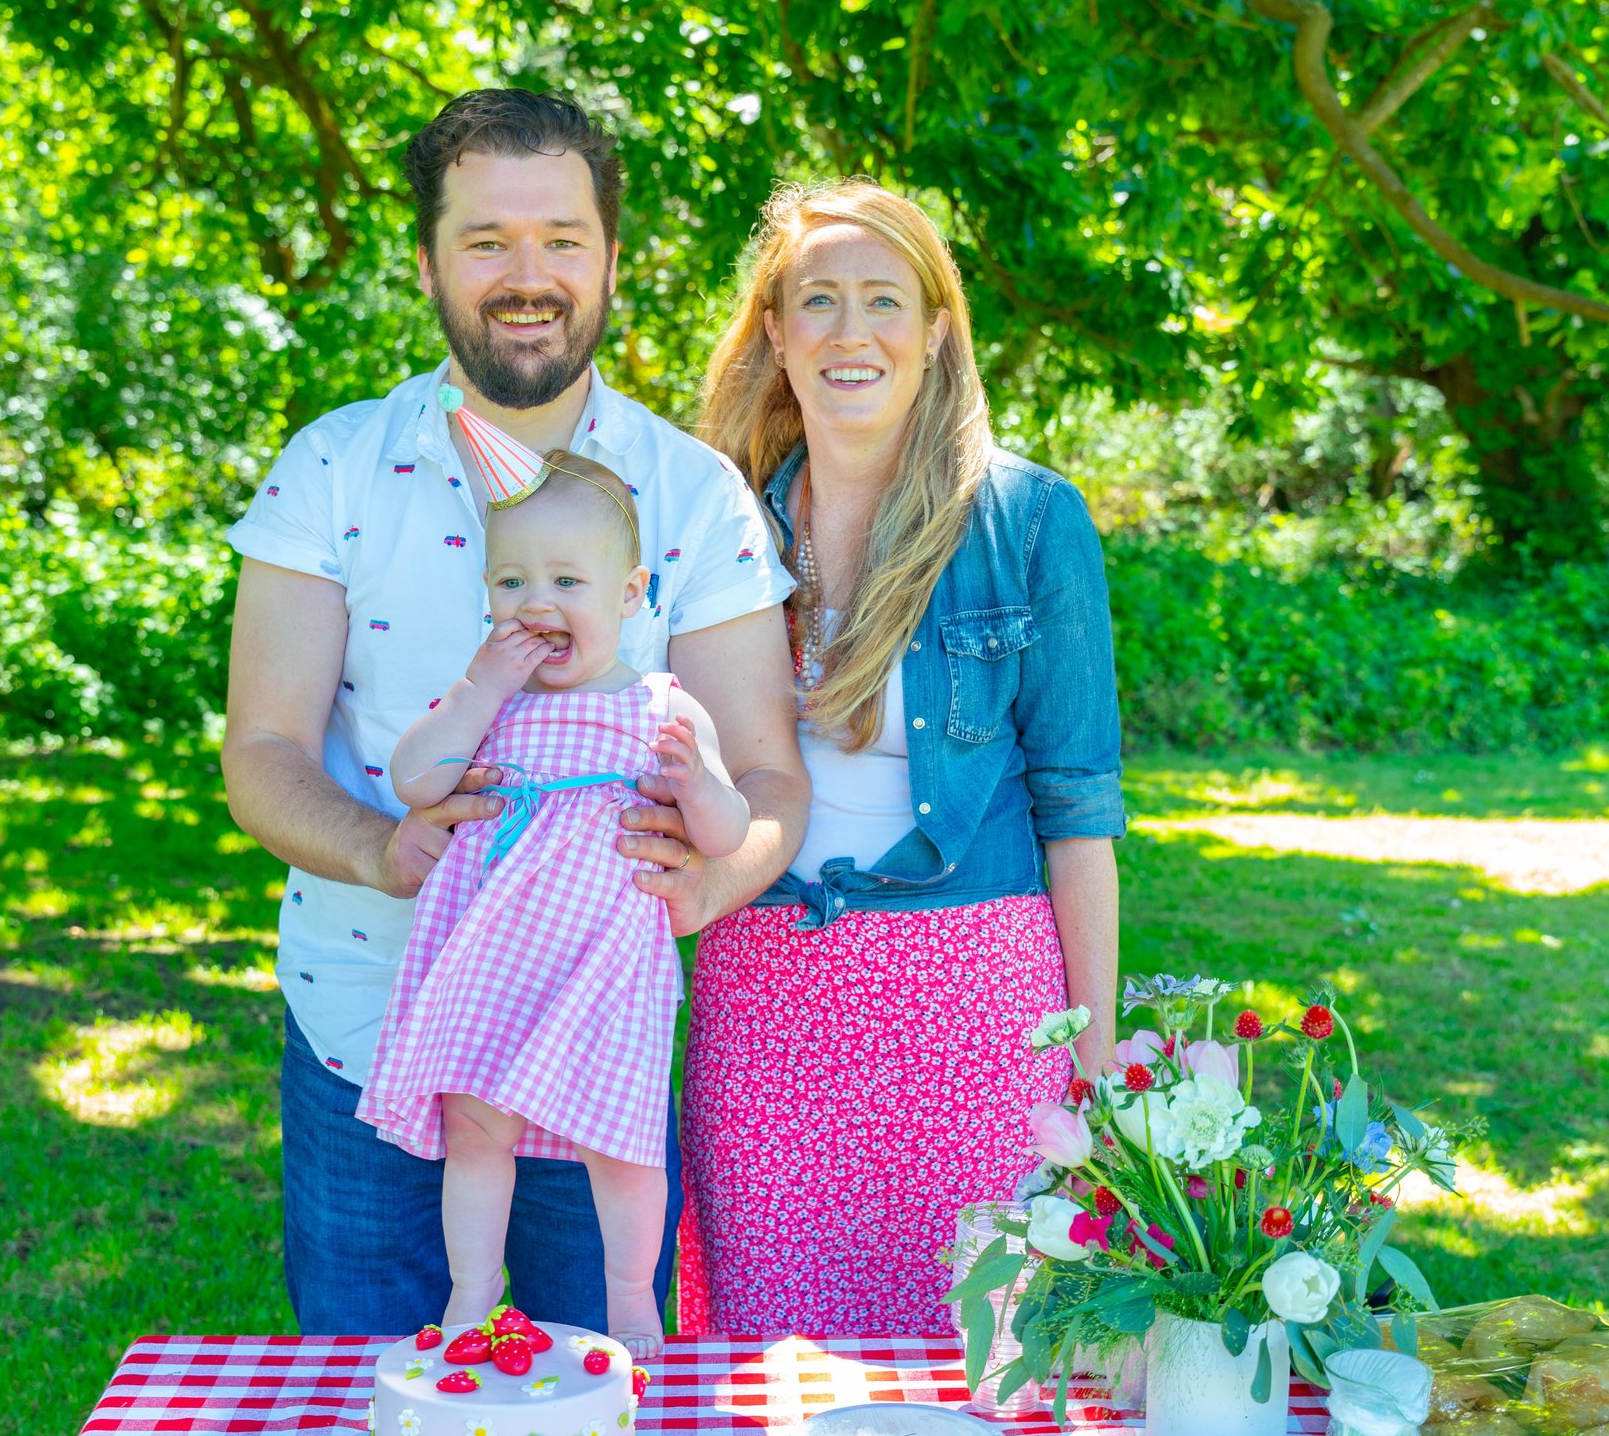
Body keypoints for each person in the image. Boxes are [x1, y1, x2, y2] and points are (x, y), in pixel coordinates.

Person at [221, 90, 805, 1338]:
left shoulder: (692, 495)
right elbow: (263, 752)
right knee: (371, 1420)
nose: (526, 276)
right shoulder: (329, 467)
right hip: (361, 1025)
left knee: (603, 1419)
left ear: (608, 258)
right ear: (429, 259)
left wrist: (710, 886)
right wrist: (380, 848)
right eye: (487, 241)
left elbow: (766, 773)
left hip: (589, 1025)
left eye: (561, 239)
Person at [676, 179, 1125, 1336]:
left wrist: (1097, 1067)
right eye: (816, 301)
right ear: (773, 331)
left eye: (883, 299)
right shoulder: (712, 528)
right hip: (763, 1001)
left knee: (992, 1362)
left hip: (976, 1009)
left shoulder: (1026, 519)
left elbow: (1079, 811)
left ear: (935, 328)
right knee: (768, 1382)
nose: (849, 331)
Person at [358, 451, 750, 1358]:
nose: (538, 600)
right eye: (512, 579)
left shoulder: (665, 706)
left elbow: (726, 835)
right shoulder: (488, 705)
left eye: (568, 579)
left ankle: (629, 1301)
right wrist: (478, 687)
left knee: (623, 1143)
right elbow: (416, 779)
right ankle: (468, 1295)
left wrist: (698, 786)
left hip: (605, 964)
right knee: (475, 1129)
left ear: (629, 592)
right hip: (494, 959)